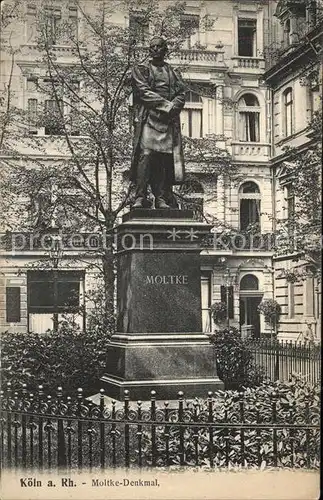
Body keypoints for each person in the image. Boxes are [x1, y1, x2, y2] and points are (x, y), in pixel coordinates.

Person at [130, 36, 186, 209]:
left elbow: (181, 94)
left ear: (165, 50)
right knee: (146, 155)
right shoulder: (141, 69)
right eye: (152, 47)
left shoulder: (173, 72)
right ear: (149, 50)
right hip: (149, 118)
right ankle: (140, 196)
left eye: (159, 47)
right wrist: (166, 105)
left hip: (167, 121)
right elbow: (143, 91)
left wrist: (172, 107)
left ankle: (160, 197)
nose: (155, 50)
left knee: (163, 159)